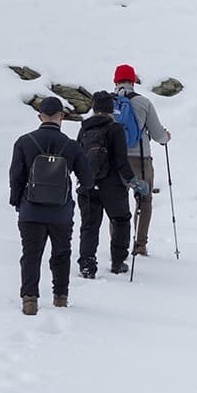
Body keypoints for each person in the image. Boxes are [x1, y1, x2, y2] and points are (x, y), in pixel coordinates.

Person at [9, 96, 93, 315]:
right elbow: (88, 179)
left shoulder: (24, 142)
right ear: (61, 117)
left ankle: (29, 299)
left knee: (30, 255)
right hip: (61, 212)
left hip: (30, 211)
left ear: (40, 117)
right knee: (61, 254)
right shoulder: (71, 146)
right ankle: (60, 297)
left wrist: (18, 202)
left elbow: (16, 177)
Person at [76, 91, 150, 278]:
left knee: (89, 225)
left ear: (94, 108)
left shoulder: (84, 128)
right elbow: (121, 162)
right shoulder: (115, 129)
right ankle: (118, 262)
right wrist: (134, 182)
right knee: (121, 220)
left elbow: (78, 155)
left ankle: (87, 263)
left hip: (87, 184)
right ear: (111, 109)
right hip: (112, 186)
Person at [112, 64, 170, 255]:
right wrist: (166, 137)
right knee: (143, 201)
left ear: (115, 80)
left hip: (114, 159)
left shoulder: (107, 102)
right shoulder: (144, 103)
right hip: (140, 160)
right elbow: (158, 134)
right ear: (133, 81)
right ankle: (139, 245)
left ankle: (117, 242)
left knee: (117, 201)